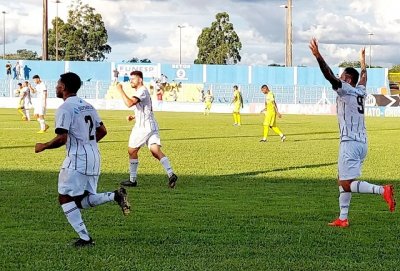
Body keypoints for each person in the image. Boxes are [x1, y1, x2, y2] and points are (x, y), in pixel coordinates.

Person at [35, 72, 131, 247]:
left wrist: (44, 146)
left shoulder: (64, 108)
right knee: (81, 200)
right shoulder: (87, 105)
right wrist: (87, 144)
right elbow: (102, 131)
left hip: (77, 159)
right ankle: (114, 196)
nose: (56, 87)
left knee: (64, 198)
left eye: (58, 84)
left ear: (63, 87)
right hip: (94, 157)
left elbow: (62, 138)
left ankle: (86, 239)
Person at [309, 38, 395, 227]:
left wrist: (318, 56)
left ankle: (383, 190)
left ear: (348, 80)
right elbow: (363, 77)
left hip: (349, 142)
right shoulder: (360, 90)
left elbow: (329, 76)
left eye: (342, 75)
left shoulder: (345, 90)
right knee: (342, 180)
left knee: (346, 183)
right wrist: (363, 62)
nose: (339, 77)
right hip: (361, 143)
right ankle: (343, 218)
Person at [116, 70, 178, 188]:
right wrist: (133, 116)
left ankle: (132, 180)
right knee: (155, 151)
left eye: (133, 79)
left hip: (143, 127)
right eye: (130, 79)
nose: (131, 81)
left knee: (132, 150)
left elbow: (129, 103)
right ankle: (171, 174)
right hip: (151, 125)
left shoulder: (142, 91)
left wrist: (120, 90)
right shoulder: (142, 91)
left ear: (140, 79)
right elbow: (146, 108)